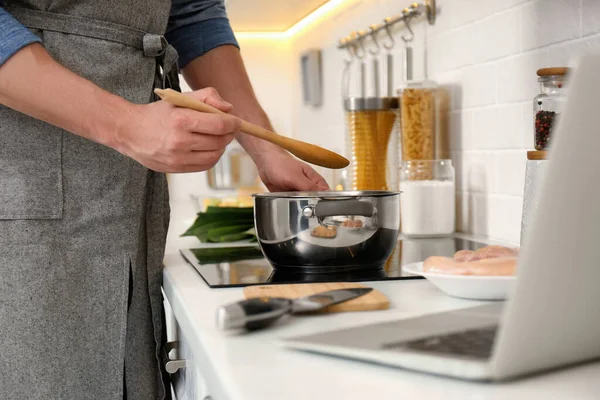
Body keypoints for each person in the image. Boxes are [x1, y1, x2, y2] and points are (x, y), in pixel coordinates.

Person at [0, 1, 329, 399]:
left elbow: (194, 13)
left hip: (131, 195)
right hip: (26, 169)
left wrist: (267, 148)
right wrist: (124, 123)